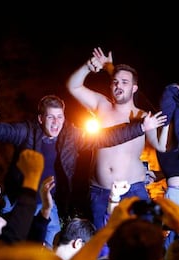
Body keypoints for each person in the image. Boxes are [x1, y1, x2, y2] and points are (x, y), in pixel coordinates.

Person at [0, 94, 165, 248]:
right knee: (14, 242)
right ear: (41, 118)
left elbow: (106, 137)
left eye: (60, 117)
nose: (56, 123)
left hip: (47, 201)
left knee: (52, 239)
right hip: (20, 197)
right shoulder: (26, 132)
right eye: (50, 117)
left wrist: (140, 127)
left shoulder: (71, 135)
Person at [67, 47, 167, 232]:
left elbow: (160, 146)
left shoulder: (142, 116)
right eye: (115, 82)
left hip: (134, 190)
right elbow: (73, 86)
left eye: (124, 82)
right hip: (101, 192)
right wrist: (88, 67)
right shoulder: (101, 105)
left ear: (134, 88)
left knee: (145, 238)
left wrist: (167, 121)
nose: (118, 86)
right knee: (103, 243)